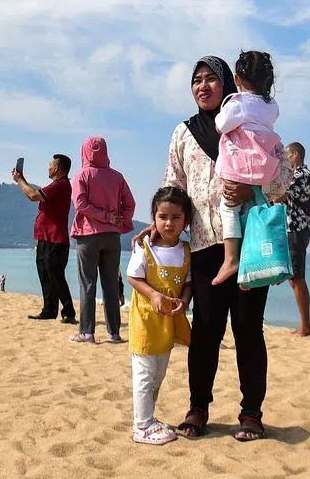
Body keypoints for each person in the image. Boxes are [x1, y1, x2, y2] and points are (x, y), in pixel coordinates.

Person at [161, 56, 290, 442]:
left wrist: (252, 189)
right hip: (203, 248)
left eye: (210, 80)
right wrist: (160, 224)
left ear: (227, 84)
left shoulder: (252, 124)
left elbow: (283, 176)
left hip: (250, 245)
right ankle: (198, 408)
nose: (203, 87)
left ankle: (251, 413)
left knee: (249, 330)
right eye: (196, 80)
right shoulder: (183, 133)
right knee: (205, 332)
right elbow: (174, 185)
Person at [127, 187, 194, 445]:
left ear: (185, 220)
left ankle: (149, 418)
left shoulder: (185, 251)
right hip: (145, 322)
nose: (169, 222)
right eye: (162, 216)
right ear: (153, 218)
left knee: (158, 374)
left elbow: (187, 283)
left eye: (176, 217)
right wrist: (154, 295)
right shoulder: (144, 248)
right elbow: (133, 277)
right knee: (144, 374)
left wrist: (185, 301)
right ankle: (141, 426)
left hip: (168, 324)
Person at [211, 50, 282, 286]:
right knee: (257, 211)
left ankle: (231, 259)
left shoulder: (238, 103)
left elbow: (221, 125)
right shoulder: (271, 106)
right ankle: (258, 262)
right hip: (262, 167)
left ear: (237, 79)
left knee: (229, 208)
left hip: (240, 165)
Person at [70, 137, 135, 344]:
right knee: (111, 285)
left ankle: (87, 333)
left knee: (88, 284)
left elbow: (80, 204)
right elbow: (130, 204)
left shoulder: (81, 175)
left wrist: (105, 217)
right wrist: (118, 220)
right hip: (112, 237)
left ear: (84, 152)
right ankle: (114, 333)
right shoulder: (117, 177)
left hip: (88, 235)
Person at [14, 156, 76, 324]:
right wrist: (23, 180)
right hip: (45, 238)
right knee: (45, 274)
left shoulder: (60, 185)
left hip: (55, 239)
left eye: (50, 165)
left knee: (55, 274)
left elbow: (33, 195)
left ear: (57, 168)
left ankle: (69, 311)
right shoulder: (56, 186)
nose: (48, 167)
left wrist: (20, 181)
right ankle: (49, 309)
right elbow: (36, 194)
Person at [275, 141, 310, 336]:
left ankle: (306, 328)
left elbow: (281, 196)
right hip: (297, 229)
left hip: (296, 229)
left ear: (295, 155)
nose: (285, 158)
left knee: (297, 278)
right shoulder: (306, 175)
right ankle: (305, 326)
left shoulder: (300, 175)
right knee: (294, 278)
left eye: (287, 155)